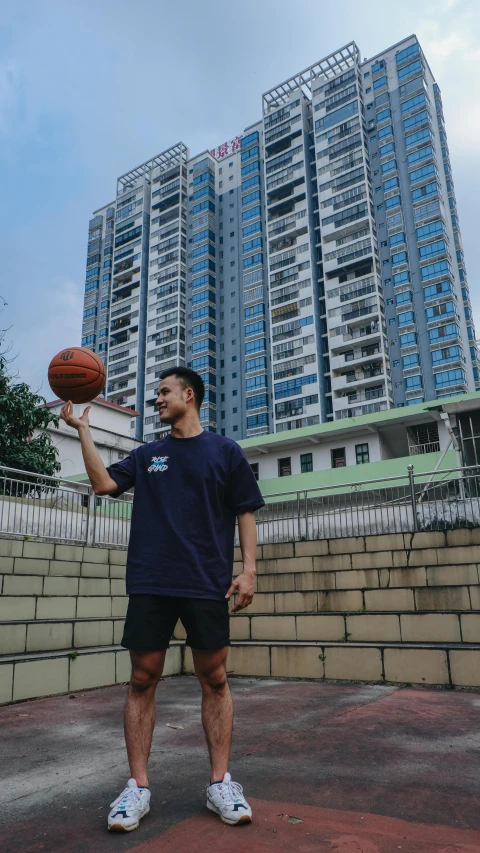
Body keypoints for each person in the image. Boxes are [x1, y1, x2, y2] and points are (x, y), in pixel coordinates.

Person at [60, 367, 265, 832]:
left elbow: (246, 511)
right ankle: (137, 788)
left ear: (189, 396)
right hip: (151, 581)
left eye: (164, 392)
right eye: (156, 394)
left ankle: (220, 783)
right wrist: (84, 430)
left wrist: (249, 570)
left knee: (214, 678)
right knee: (141, 679)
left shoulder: (225, 451)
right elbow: (103, 485)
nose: (157, 400)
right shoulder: (148, 454)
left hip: (206, 582)